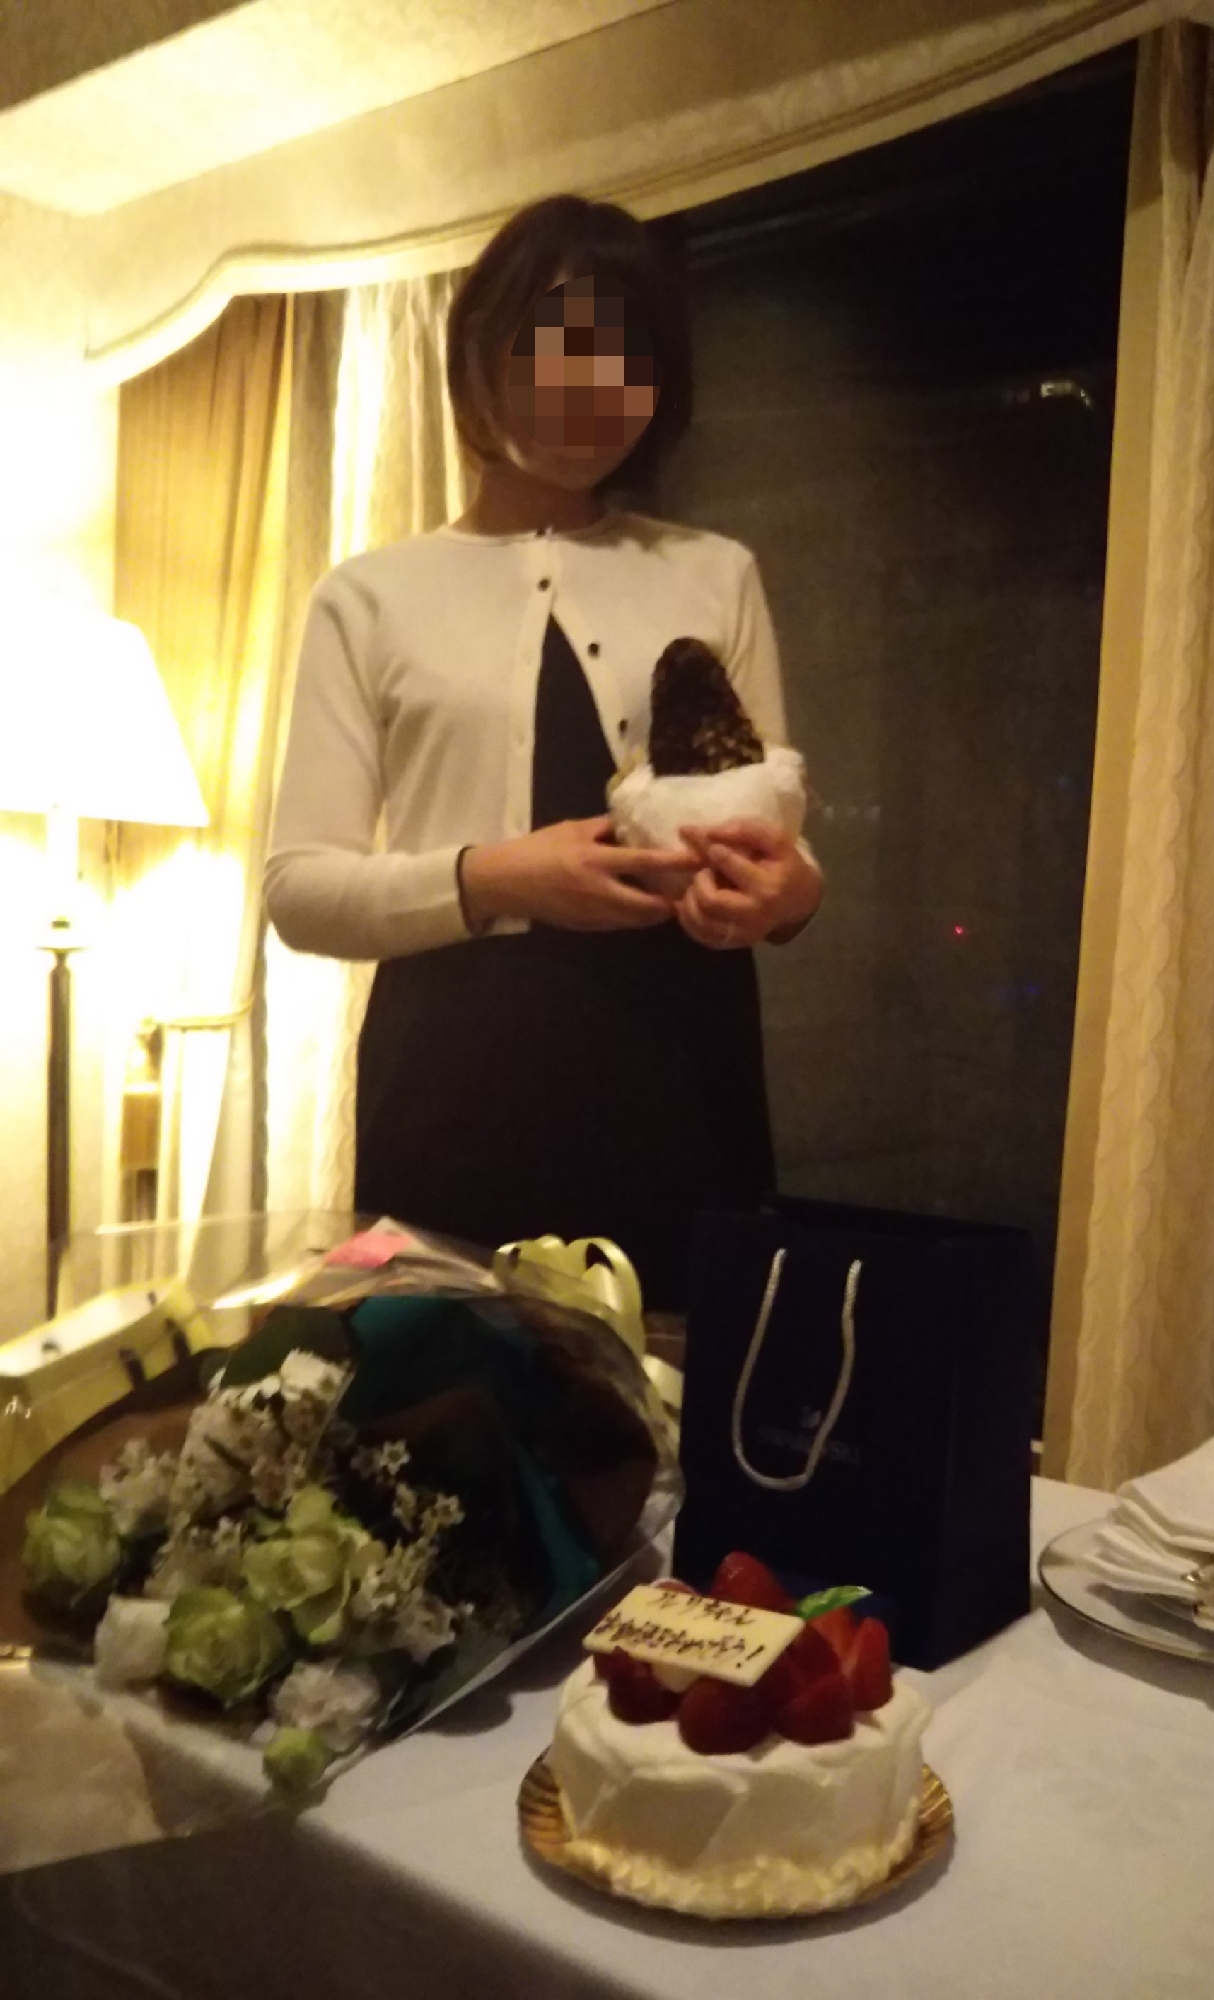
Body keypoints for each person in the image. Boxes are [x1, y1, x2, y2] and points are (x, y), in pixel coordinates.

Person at [264, 195, 823, 1307]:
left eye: (629, 357)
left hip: (681, 1072)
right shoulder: (368, 596)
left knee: (671, 1389)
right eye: (560, 347)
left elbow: (777, 829)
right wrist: (497, 877)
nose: (595, 387)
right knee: (450, 1392)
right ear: (480, 350)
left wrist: (793, 894)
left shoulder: (717, 573)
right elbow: (300, 891)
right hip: (457, 1076)